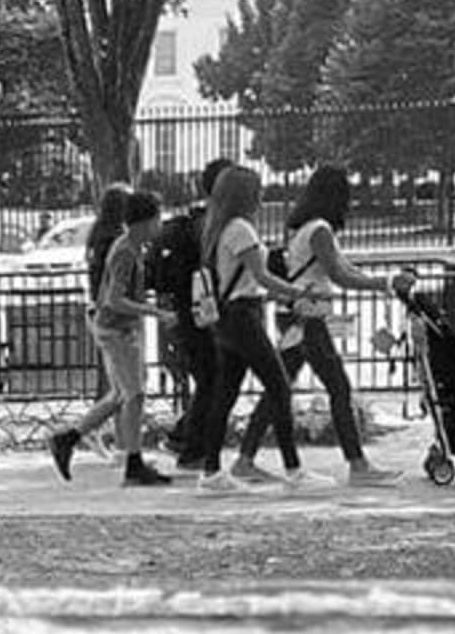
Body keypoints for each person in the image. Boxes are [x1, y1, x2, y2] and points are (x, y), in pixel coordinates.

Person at [233, 165, 403, 487]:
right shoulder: (321, 230)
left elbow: (341, 267)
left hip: (298, 312)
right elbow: (340, 275)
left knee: (279, 387)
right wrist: (384, 283)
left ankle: (245, 458)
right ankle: (357, 464)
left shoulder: (304, 228)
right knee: (338, 387)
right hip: (309, 314)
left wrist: (379, 281)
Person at [194, 163, 306, 495]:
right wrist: (299, 292)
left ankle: (211, 470)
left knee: (225, 394)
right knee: (279, 387)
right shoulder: (241, 228)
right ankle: (293, 468)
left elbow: (244, 278)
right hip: (243, 316)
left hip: (230, 315)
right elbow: (261, 276)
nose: (261, 195)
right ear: (246, 195)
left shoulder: (217, 227)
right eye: (256, 190)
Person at [52, 187, 173, 487]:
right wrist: (154, 312)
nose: (160, 227)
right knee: (135, 395)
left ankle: (69, 438)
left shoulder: (129, 247)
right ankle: (133, 464)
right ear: (145, 222)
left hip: (118, 328)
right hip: (117, 330)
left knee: (120, 395)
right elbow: (113, 299)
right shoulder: (125, 252)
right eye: (158, 220)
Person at [47, 182, 131, 478]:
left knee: (121, 387)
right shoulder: (118, 239)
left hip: (98, 312)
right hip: (114, 317)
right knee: (126, 390)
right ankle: (78, 435)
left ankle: (121, 447)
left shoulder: (98, 235)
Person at [147, 156, 225, 474]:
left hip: (185, 308)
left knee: (209, 378)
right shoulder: (210, 226)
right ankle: (191, 446)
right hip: (204, 312)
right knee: (212, 378)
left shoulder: (194, 221)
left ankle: (187, 439)